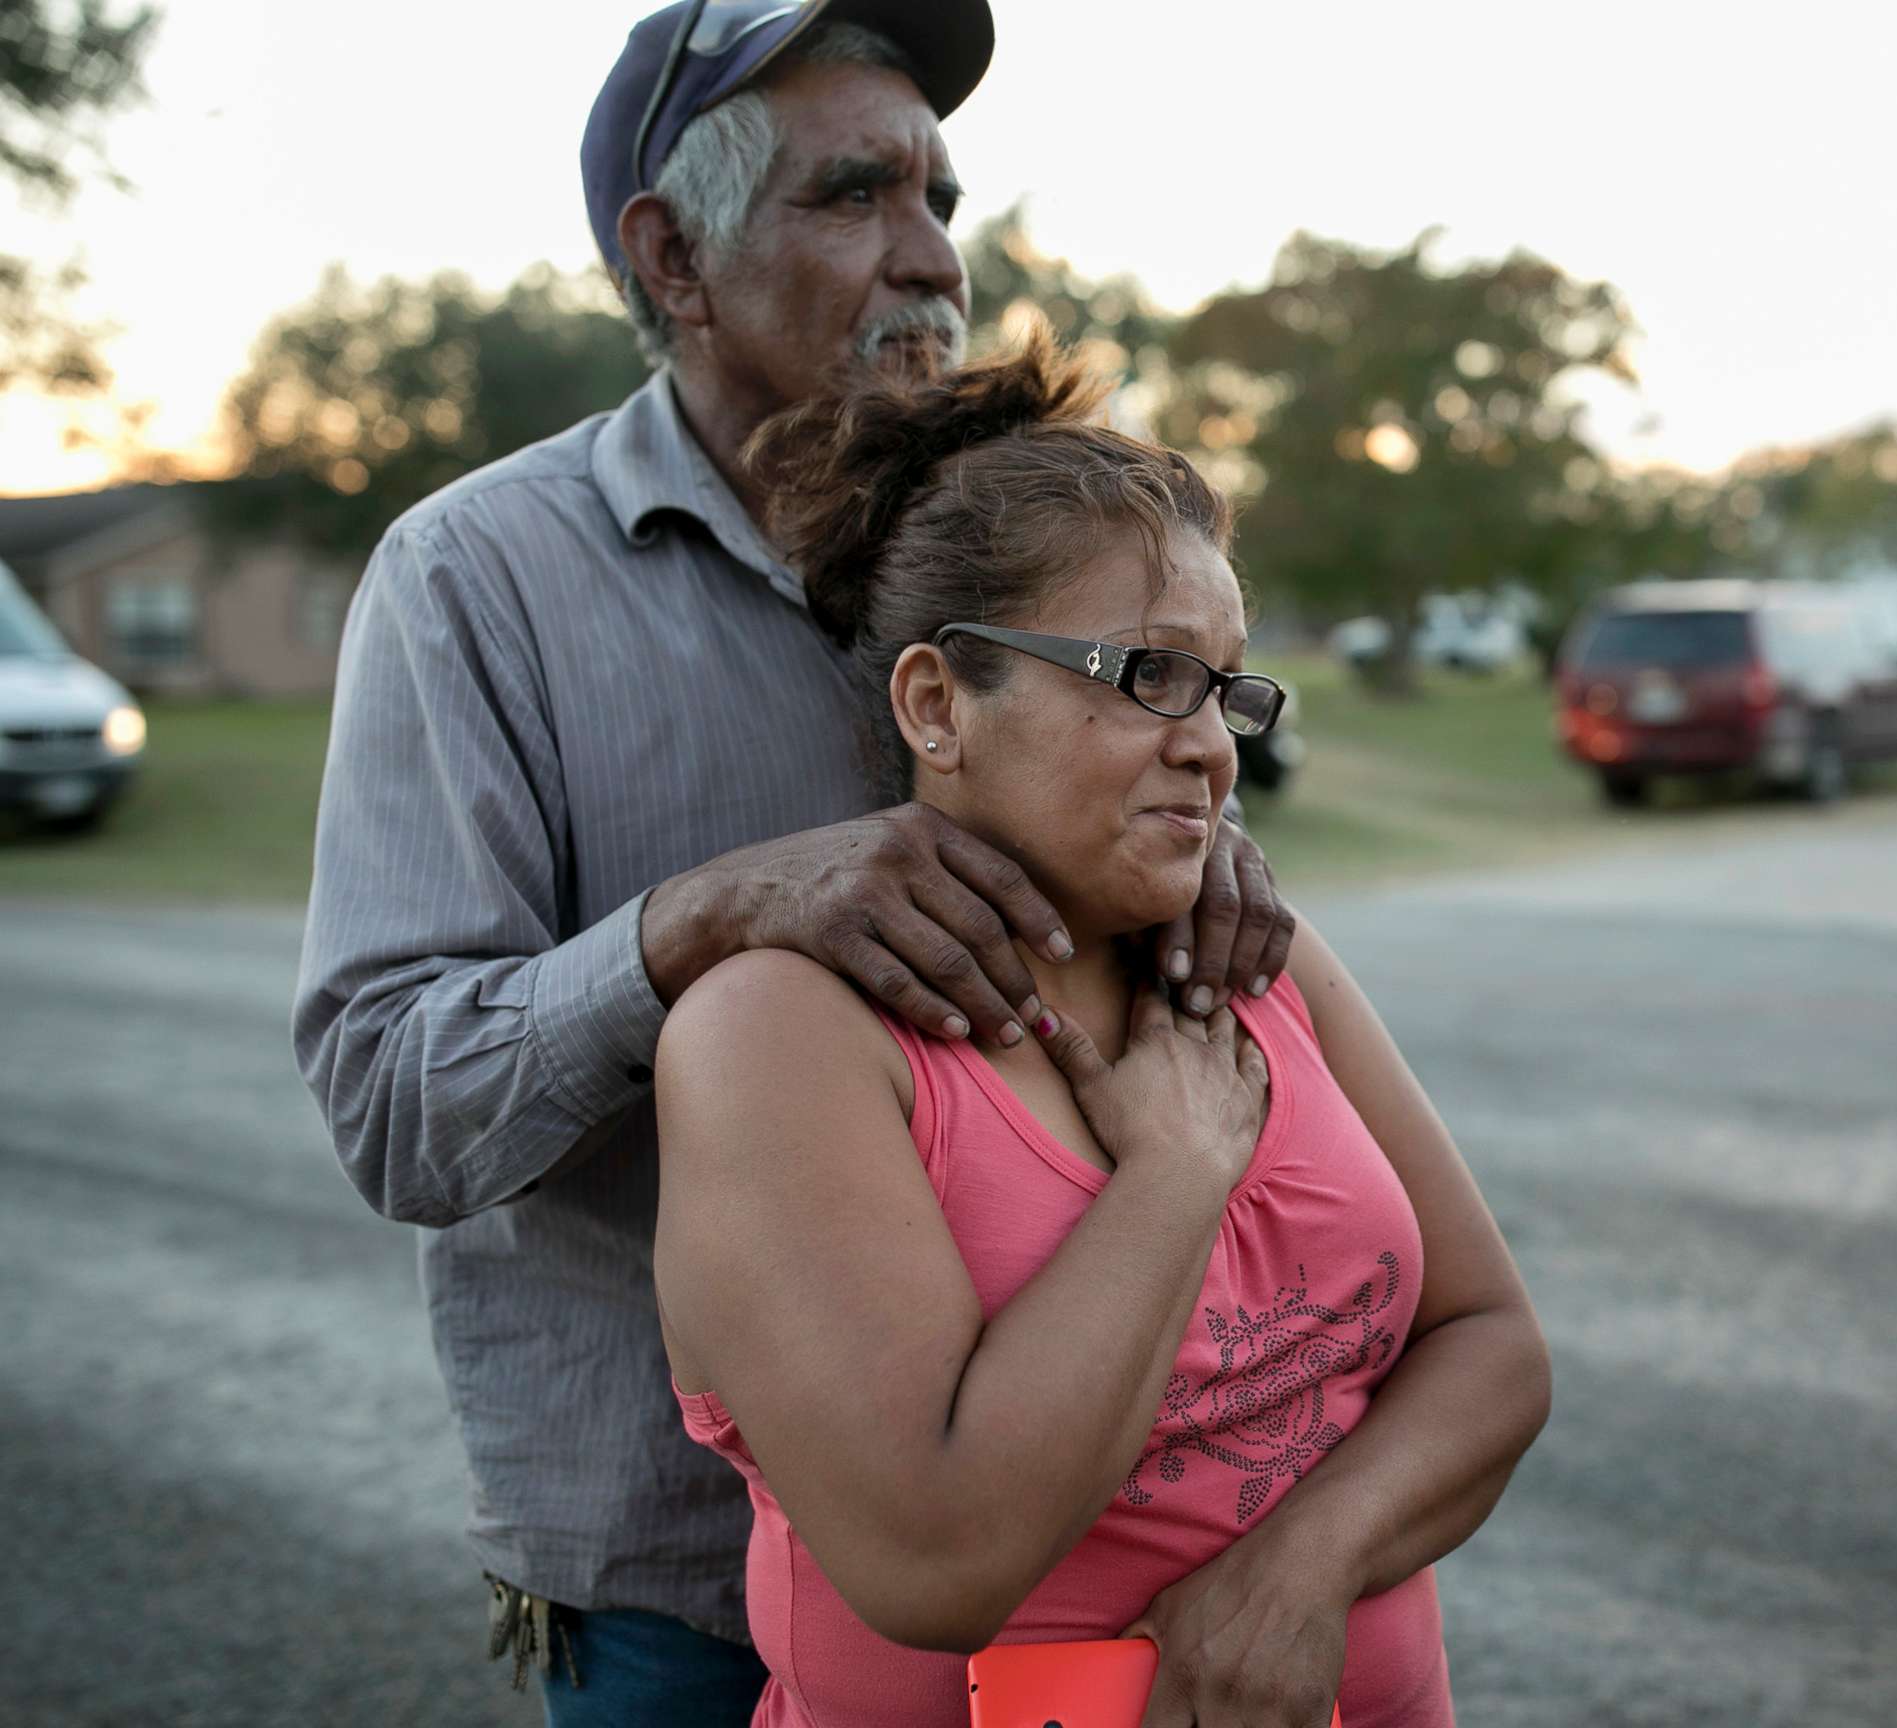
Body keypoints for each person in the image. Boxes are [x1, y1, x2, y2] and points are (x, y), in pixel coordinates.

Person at [290, 4, 1294, 1721]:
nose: (930, 263)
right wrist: (699, 920)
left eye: (941, 200)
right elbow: (395, 1101)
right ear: (672, 255)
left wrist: (1202, 860)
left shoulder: (1020, 548)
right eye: (853, 197)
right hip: (686, 1595)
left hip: (1116, 1539)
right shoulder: (474, 580)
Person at [650, 335, 1551, 1728]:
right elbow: (933, 1558)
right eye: (1150, 676)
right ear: (940, 705)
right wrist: (1175, 1176)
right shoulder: (782, 1036)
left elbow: (1492, 1346)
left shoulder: (1264, 964)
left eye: (1231, 689)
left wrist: (1302, 1570)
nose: (1211, 745)